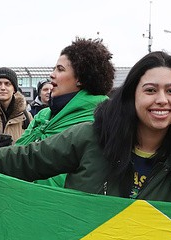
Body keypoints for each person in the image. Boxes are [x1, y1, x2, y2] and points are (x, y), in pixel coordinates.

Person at [0, 51, 171, 202]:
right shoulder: (92, 137)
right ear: (132, 96)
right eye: (150, 90)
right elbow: (27, 158)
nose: (161, 100)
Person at [17, 37, 115, 187]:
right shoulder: (43, 116)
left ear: (80, 79)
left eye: (60, 69)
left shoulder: (99, 119)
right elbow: (15, 157)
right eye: (54, 68)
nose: (52, 75)